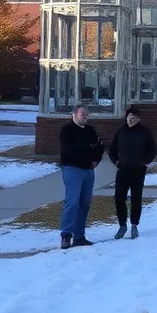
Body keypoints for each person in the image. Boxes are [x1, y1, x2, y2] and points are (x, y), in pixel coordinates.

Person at [108, 106, 156, 240]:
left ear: (138, 119)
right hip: (123, 170)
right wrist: (116, 162)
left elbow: (152, 150)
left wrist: (145, 162)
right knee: (119, 197)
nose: (130, 120)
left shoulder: (144, 132)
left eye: (133, 118)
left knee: (136, 197)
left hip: (138, 170)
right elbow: (111, 151)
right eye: (128, 117)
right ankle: (122, 225)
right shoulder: (120, 132)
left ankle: (134, 224)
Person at [59, 106, 104, 249]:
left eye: (86, 115)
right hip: (72, 169)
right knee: (72, 202)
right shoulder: (67, 130)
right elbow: (70, 150)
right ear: (74, 114)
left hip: (88, 171)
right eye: (82, 114)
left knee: (85, 203)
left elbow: (99, 147)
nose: (85, 117)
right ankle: (66, 235)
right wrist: (87, 149)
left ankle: (79, 236)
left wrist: (96, 159)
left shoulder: (90, 130)